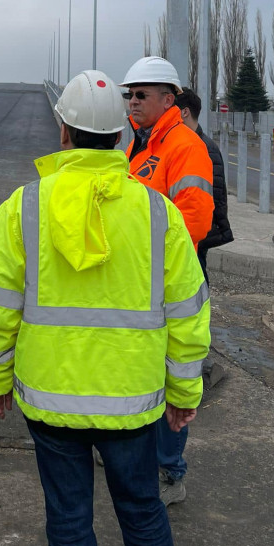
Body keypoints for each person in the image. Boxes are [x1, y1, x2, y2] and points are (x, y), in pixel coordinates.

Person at [0, 70, 210, 546]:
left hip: (51, 394)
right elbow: (188, 311)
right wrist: (185, 391)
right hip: (132, 398)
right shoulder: (158, 212)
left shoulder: (24, 206)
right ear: (120, 136)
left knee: (68, 517)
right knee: (143, 509)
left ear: (64, 131)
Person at [119, 55, 214, 507]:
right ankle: (139, 457)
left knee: (174, 373)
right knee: (144, 371)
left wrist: (144, 258)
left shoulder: (183, 146)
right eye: (129, 95)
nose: (132, 102)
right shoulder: (140, 145)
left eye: (141, 95)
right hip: (140, 282)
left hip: (167, 283)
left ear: (168, 98)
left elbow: (194, 221)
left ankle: (169, 472)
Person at [175, 86, 234, 283]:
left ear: (184, 112)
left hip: (196, 237)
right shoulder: (186, 144)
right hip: (189, 235)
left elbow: (214, 198)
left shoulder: (203, 147)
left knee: (196, 283)